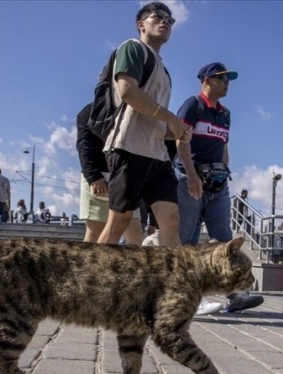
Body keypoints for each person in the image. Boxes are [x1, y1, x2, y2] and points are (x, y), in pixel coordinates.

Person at [96, 1, 193, 247]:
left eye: (170, 20)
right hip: (129, 147)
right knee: (119, 221)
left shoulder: (165, 71)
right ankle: (88, 282)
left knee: (170, 221)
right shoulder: (133, 48)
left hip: (157, 155)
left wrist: (175, 132)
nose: (166, 22)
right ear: (141, 25)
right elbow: (127, 91)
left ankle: (176, 283)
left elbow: (153, 117)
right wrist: (171, 118)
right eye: (158, 16)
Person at [175, 62, 263, 315]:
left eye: (229, 79)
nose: (227, 83)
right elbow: (182, 142)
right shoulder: (193, 105)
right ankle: (190, 298)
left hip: (218, 184)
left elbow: (224, 146)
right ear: (207, 80)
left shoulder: (225, 114)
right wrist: (191, 174)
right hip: (190, 180)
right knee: (187, 241)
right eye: (222, 78)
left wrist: (224, 172)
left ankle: (235, 295)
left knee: (225, 241)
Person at [76, 103, 143, 244]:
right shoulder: (88, 112)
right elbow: (84, 146)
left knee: (135, 233)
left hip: (125, 179)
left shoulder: (130, 111)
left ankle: (131, 266)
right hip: (98, 178)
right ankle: (89, 266)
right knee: (94, 234)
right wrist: (93, 177)